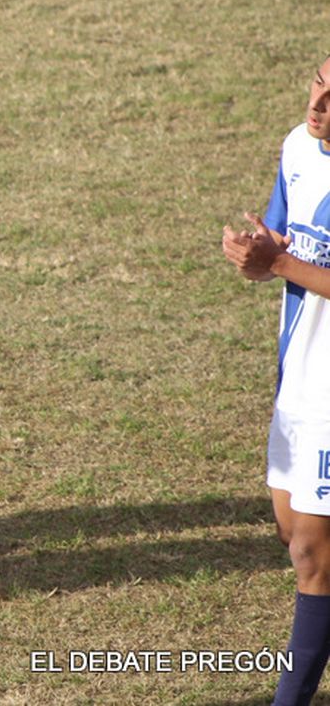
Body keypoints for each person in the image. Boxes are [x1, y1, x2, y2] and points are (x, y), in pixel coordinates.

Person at [223, 53, 330, 705]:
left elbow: (291, 260)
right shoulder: (298, 147)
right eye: (319, 84)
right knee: (292, 532)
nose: (319, 103)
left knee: (314, 560)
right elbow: (278, 244)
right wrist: (254, 257)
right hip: (300, 378)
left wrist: (282, 261)